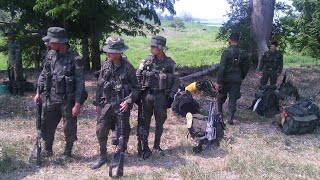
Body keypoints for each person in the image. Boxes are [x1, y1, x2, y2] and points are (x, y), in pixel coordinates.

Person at [33, 27, 85, 158]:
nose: (48, 44)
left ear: (60, 43)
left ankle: (68, 152)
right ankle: (47, 149)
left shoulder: (75, 59)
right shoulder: (50, 55)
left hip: (68, 100)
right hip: (51, 98)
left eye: (51, 42)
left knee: (69, 127)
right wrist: (38, 92)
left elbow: (80, 83)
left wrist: (77, 103)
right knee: (47, 124)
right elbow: (44, 74)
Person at [91, 37, 140, 169]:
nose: (108, 53)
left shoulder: (128, 68)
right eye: (108, 51)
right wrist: (97, 103)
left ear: (119, 52)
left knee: (122, 132)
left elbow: (136, 88)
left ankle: (119, 154)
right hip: (106, 104)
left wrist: (129, 101)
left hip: (121, 105)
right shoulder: (105, 65)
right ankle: (102, 155)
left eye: (111, 51)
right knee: (101, 130)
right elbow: (100, 85)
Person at [136, 36, 179, 157]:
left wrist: (171, 97)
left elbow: (176, 81)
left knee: (160, 122)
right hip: (147, 96)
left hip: (161, 97)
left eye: (153, 47)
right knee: (144, 121)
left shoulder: (170, 63)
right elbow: (138, 77)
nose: (151, 49)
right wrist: (137, 95)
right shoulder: (146, 61)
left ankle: (157, 145)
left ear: (160, 48)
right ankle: (144, 146)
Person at [216, 33, 250, 125]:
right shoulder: (243, 53)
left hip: (226, 79)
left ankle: (219, 113)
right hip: (236, 79)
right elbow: (246, 67)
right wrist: (241, 76)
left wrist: (219, 82)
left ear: (229, 40)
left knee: (221, 95)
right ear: (239, 41)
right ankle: (230, 117)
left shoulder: (226, 52)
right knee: (233, 98)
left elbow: (222, 68)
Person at [0, 29, 24, 95]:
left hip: (15, 63)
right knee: (11, 78)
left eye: (9, 35)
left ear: (12, 35)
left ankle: (20, 92)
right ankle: (13, 91)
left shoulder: (16, 43)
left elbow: (18, 54)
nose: (7, 36)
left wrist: (15, 63)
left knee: (18, 78)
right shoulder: (10, 43)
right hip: (10, 63)